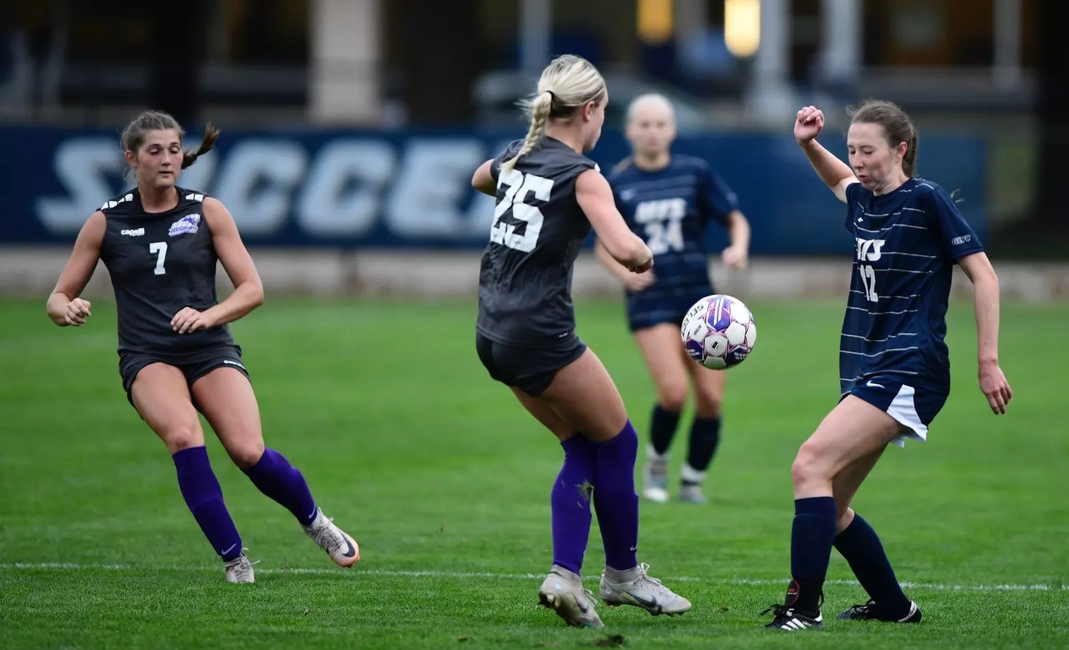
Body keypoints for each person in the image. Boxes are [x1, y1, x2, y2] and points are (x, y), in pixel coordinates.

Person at [46, 111, 360, 584]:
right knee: (183, 437)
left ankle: (316, 522)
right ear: (131, 158)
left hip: (209, 348)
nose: (167, 159)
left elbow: (252, 288)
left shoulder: (206, 210)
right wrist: (63, 308)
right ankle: (236, 561)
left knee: (248, 451)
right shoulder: (105, 221)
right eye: (155, 151)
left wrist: (209, 315)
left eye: (174, 149)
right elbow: (57, 295)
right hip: (147, 355)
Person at [763, 100, 1013, 631]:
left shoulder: (925, 200)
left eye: (868, 151)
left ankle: (803, 608)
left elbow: (984, 276)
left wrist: (987, 360)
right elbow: (839, 181)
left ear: (900, 149)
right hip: (867, 363)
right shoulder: (862, 199)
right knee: (828, 508)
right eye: (852, 149)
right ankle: (896, 609)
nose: (857, 160)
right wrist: (809, 143)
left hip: (909, 364)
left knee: (808, 465)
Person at [470, 55, 692, 628]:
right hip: (539, 334)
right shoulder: (583, 172)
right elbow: (626, 249)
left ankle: (567, 576)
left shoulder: (517, 156)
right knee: (619, 443)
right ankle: (621, 576)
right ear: (590, 110)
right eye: (604, 115)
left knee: (583, 447)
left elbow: (480, 177)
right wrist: (646, 252)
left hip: (492, 333)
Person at [598, 93, 751, 505]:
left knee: (712, 398)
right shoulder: (617, 182)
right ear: (629, 130)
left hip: (700, 300)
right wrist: (624, 276)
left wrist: (737, 248)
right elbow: (602, 245)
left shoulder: (694, 172)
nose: (652, 132)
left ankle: (692, 481)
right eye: (643, 124)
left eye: (660, 124)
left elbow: (735, 218)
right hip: (652, 301)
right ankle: (657, 461)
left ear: (673, 130)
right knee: (673, 393)